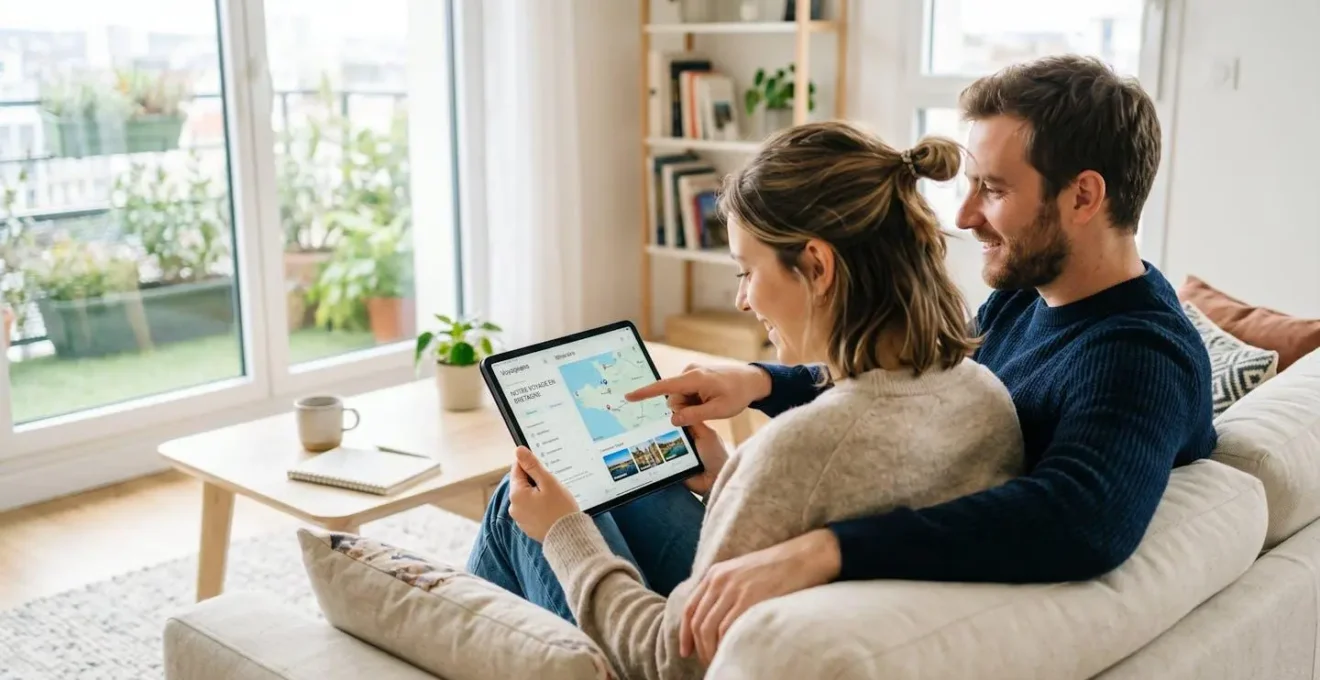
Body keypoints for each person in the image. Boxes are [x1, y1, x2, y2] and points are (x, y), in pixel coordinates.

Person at [625, 54, 1217, 662]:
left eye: (992, 188)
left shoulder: (1141, 356)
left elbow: (1080, 520)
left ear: (1084, 197)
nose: (963, 217)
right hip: (871, 550)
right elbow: (917, 382)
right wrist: (759, 382)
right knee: (619, 490)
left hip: (863, 600)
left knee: (530, 516)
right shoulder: (1024, 299)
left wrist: (825, 548)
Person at [468, 121, 1025, 678]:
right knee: (610, 490)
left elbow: (665, 661)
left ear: (816, 266)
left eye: (746, 270)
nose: (740, 299)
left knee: (518, 509)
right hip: (844, 629)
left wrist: (563, 533)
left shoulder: (798, 448)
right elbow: (852, 491)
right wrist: (729, 480)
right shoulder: (981, 393)